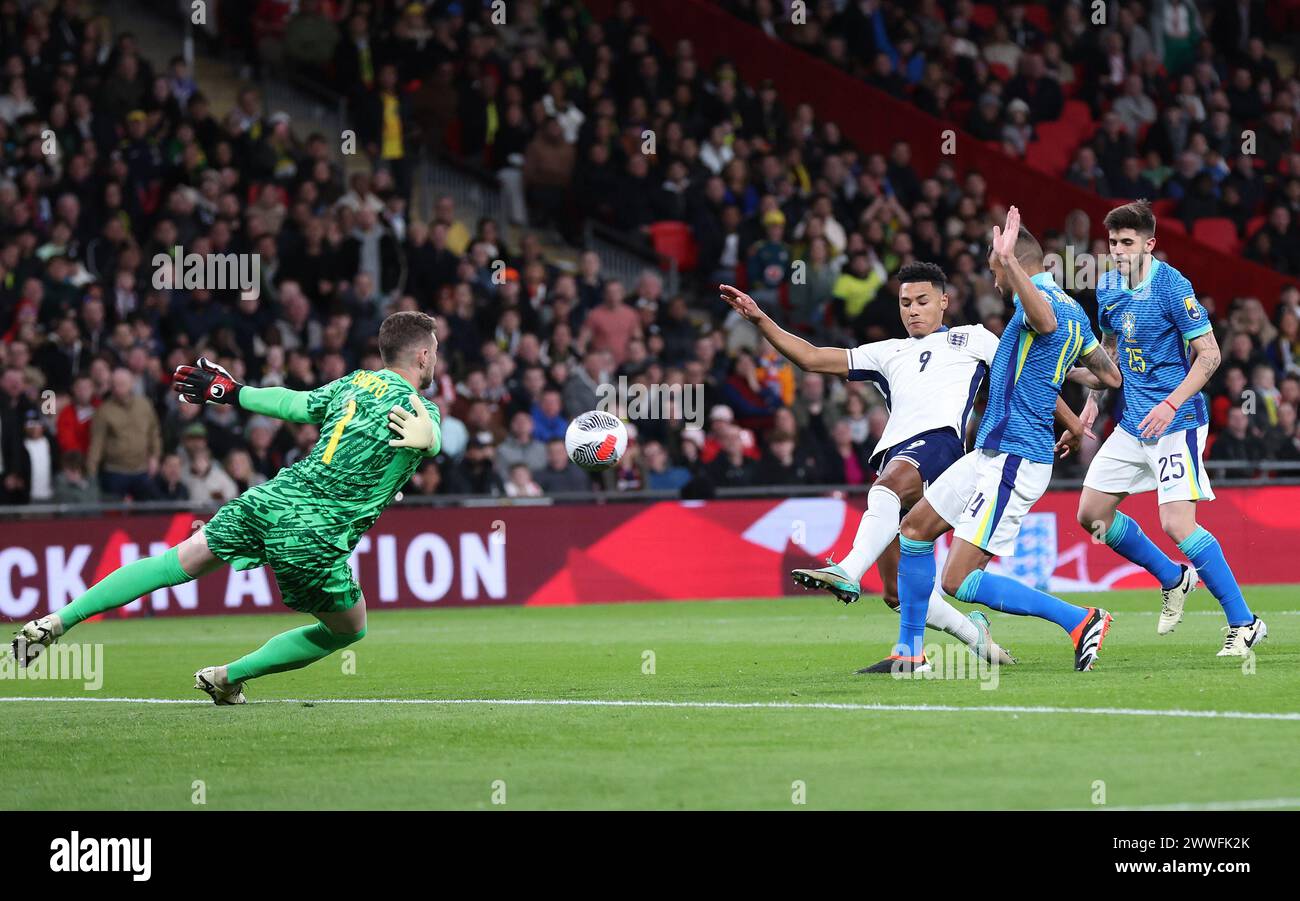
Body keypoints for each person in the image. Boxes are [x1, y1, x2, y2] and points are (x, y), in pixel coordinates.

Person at [12, 312, 443, 705]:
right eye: (435, 353)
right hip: (314, 533)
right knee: (349, 629)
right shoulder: (422, 410)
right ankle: (227, 676)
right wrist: (430, 437)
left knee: (174, 562)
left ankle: (57, 620)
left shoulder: (354, 382)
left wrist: (232, 392)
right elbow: (431, 437)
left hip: (270, 499)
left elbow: (292, 404)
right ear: (423, 355)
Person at [721, 257, 1071, 667]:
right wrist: (760, 318)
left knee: (888, 486)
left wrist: (1072, 425)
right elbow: (812, 358)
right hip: (895, 458)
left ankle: (848, 569)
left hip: (940, 447)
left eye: (922, 300)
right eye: (905, 303)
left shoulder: (974, 338)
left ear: (944, 301)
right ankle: (967, 634)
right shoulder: (887, 352)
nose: (913, 310)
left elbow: (1028, 378)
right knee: (896, 593)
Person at [884, 207, 1122, 675]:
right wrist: (1066, 396)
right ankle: (908, 654)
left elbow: (1046, 322)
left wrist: (1008, 260)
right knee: (913, 532)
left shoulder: (1044, 306)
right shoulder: (1074, 314)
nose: (995, 282)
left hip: (1016, 456)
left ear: (1018, 263)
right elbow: (1109, 375)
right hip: (991, 452)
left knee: (958, 580)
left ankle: (1080, 619)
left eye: (997, 271)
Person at [1076, 200, 1267, 657]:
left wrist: (1169, 402)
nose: (1118, 251)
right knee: (1091, 514)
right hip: (1132, 422)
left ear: (1149, 243)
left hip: (1176, 421)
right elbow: (1109, 351)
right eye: (1113, 243)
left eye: (1127, 242)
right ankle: (1173, 577)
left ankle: (1244, 622)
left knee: (1176, 524)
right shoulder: (1106, 286)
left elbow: (1211, 355)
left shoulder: (1172, 286)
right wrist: (1092, 401)